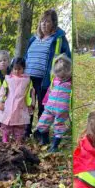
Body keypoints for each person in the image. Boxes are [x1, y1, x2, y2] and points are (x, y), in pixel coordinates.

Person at [25, 8, 72, 136]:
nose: (44, 24)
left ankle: (41, 133)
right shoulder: (33, 39)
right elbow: (26, 57)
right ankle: (25, 131)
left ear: (54, 23)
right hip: (28, 78)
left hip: (46, 79)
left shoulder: (58, 38)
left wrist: (65, 76)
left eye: (47, 21)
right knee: (28, 105)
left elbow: (67, 58)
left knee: (43, 106)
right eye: (42, 21)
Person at [0, 57, 35, 143]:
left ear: (23, 68)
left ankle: (18, 140)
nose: (16, 71)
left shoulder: (27, 80)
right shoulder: (8, 79)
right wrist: (1, 101)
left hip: (21, 105)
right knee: (6, 123)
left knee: (19, 124)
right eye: (15, 69)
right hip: (8, 105)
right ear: (12, 68)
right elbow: (3, 90)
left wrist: (31, 104)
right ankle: (5, 138)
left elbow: (30, 93)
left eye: (19, 69)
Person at [35, 55, 73, 152]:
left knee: (59, 126)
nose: (60, 75)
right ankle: (45, 140)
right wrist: (44, 101)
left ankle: (55, 146)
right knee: (42, 123)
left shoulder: (70, 82)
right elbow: (49, 90)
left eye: (63, 73)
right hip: (49, 107)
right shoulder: (55, 80)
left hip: (62, 110)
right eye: (57, 72)